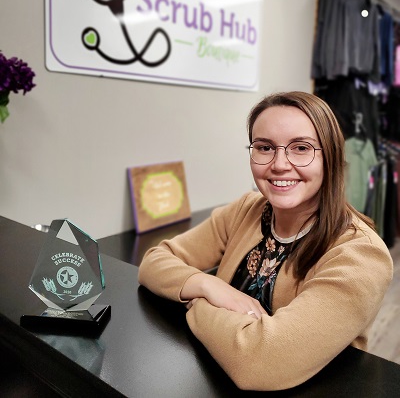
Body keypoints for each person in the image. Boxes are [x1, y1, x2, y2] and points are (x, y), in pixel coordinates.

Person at [138, 91, 393, 391]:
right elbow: (154, 261)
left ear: (331, 157)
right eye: (264, 147)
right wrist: (210, 286)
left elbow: (259, 362)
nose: (279, 164)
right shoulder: (246, 209)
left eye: (301, 148)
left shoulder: (361, 256)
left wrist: (196, 300)